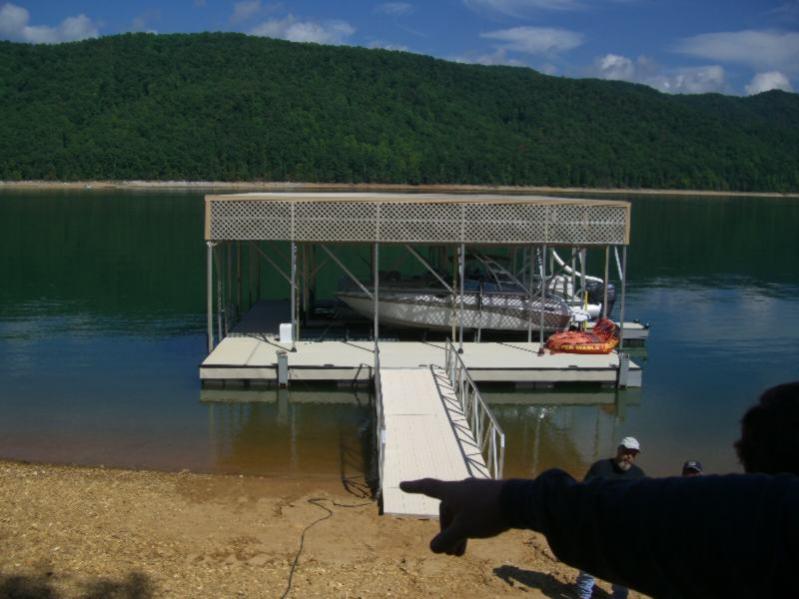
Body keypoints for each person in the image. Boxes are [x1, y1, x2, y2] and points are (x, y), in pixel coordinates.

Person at [400, 381, 799, 599]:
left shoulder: (751, 534)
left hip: (582, 527)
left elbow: (661, 519)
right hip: (595, 534)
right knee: (592, 578)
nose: (628, 456)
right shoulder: (751, 537)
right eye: (625, 450)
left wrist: (512, 501)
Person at [574, 436, 644, 599]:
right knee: (590, 566)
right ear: (619, 450)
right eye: (626, 452)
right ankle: (583, 594)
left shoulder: (639, 475)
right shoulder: (601, 468)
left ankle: (619, 596)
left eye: (633, 454)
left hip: (623, 531)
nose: (629, 456)